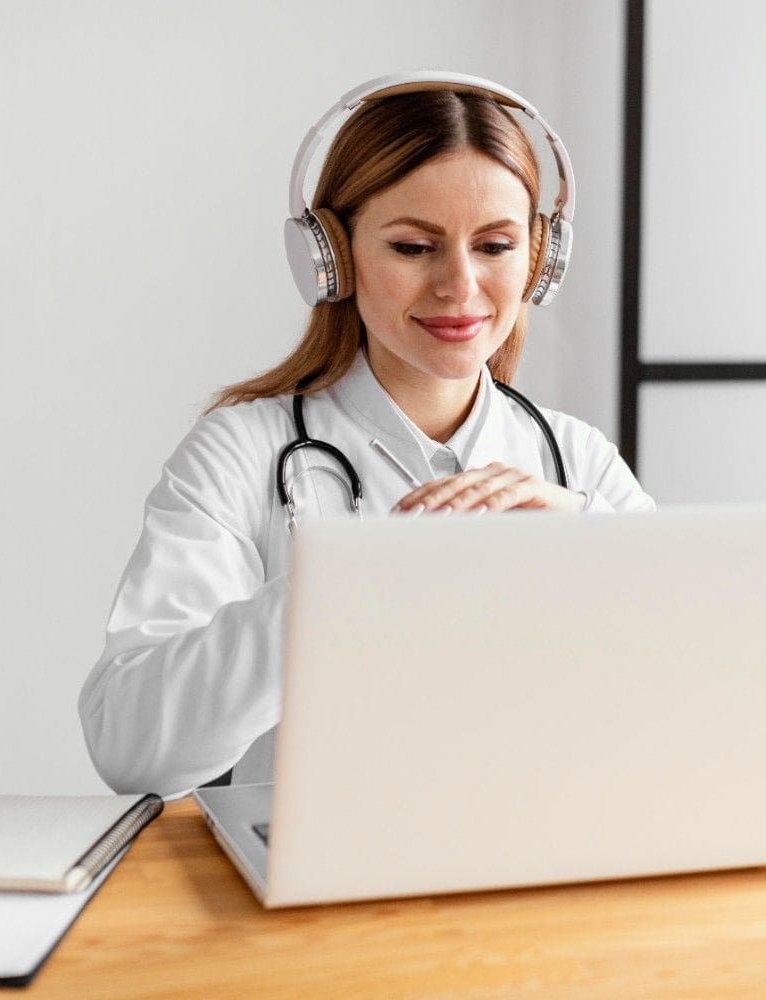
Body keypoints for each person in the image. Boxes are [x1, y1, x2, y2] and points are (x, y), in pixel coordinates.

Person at [78, 74, 654, 797]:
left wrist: (589, 541)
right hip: (325, 896)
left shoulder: (577, 464)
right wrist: (334, 590)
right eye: (415, 247)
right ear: (335, 258)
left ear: (539, 259)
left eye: (496, 245)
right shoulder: (239, 455)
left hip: (550, 866)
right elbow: (131, 748)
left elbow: (700, 697)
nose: (460, 285)